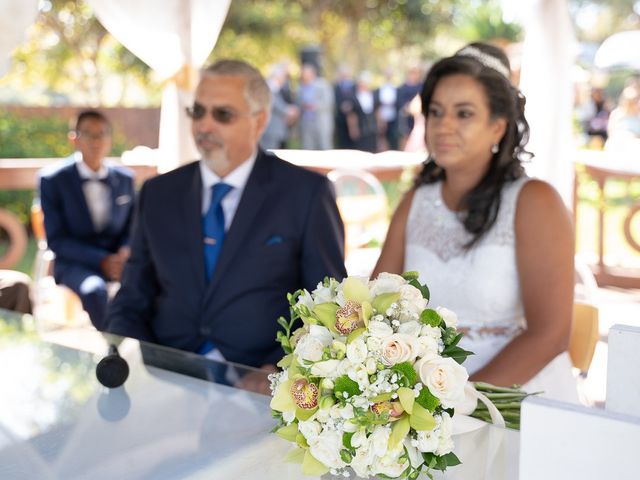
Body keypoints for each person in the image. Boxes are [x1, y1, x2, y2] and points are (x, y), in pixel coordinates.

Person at [106, 60, 346, 386]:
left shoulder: (305, 194)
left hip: (262, 390)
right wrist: (125, 365)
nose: (204, 126)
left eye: (223, 115)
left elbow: (329, 308)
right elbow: (132, 297)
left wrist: (279, 371)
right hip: (167, 380)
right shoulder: (157, 193)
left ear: (259, 121)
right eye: (198, 112)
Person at [373, 43, 578, 401]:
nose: (443, 126)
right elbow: (375, 304)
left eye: (463, 113)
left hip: (510, 398)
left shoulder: (534, 202)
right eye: (435, 112)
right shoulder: (415, 202)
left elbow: (551, 334)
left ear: (498, 127)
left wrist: (457, 402)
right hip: (416, 399)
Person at [39, 110, 134, 330]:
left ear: (110, 139)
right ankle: (114, 347)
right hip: (75, 263)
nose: (96, 141)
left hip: (120, 262)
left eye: (102, 134)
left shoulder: (125, 179)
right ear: (74, 139)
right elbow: (57, 240)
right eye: (89, 134)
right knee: (94, 290)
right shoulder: (53, 180)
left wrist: (124, 252)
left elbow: (133, 227)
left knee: (157, 285)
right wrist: (102, 260)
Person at [297, 63, 335, 150]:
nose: (303, 76)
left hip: (321, 123)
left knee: (324, 147)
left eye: (305, 74)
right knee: (308, 148)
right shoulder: (300, 87)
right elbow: (298, 103)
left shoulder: (323, 85)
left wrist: (315, 106)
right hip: (306, 123)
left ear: (312, 74)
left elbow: (329, 102)